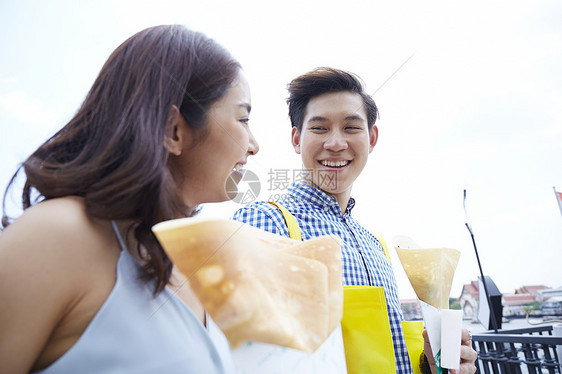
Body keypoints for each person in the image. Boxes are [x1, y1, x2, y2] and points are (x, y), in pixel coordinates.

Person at [0, 24, 259, 373]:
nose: (254, 145)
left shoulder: (185, 265)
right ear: (174, 130)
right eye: (243, 118)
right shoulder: (58, 235)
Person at [233, 67, 477, 374]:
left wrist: (435, 365)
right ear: (296, 139)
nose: (336, 143)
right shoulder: (264, 221)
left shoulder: (377, 245)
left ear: (372, 138)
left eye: (351, 128)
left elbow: (390, 357)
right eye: (319, 129)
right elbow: (252, 357)